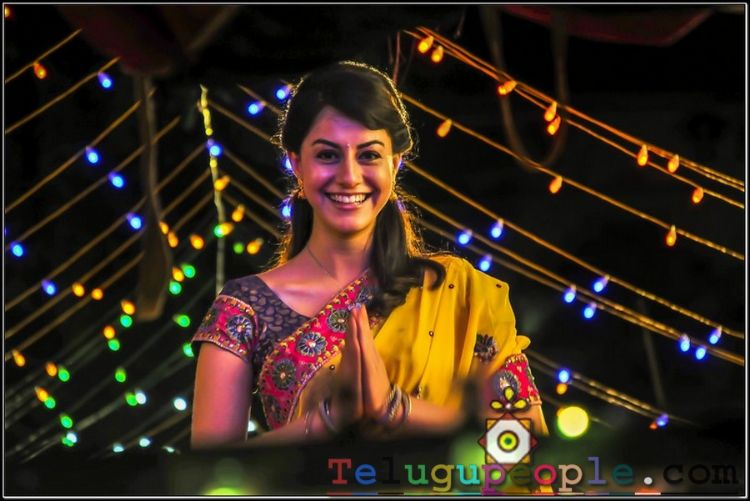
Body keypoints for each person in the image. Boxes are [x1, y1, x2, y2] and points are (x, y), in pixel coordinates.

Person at [190, 61, 548, 451]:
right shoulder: (244, 309)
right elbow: (207, 473)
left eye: (369, 155)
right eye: (327, 155)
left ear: (395, 162)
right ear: (296, 163)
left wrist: (395, 409)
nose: (349, 176)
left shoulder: (460, 292)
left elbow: (524, 447)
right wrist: (331, 420)